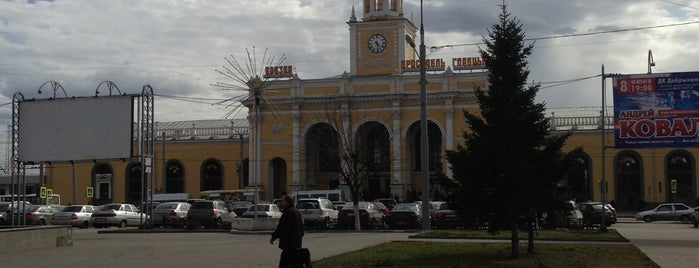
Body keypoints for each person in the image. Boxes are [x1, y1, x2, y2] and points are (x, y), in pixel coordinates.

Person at [270, 195, 304, 268]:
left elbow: (281, 228)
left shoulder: (287, 213)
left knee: (284, 264)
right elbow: (301, 227)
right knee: (295, 263)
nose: (282, 203)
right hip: (297, 243)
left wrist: (273, 237)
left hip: (289, 244)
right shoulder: (296, 212)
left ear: (287, 202)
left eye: (283, 201)